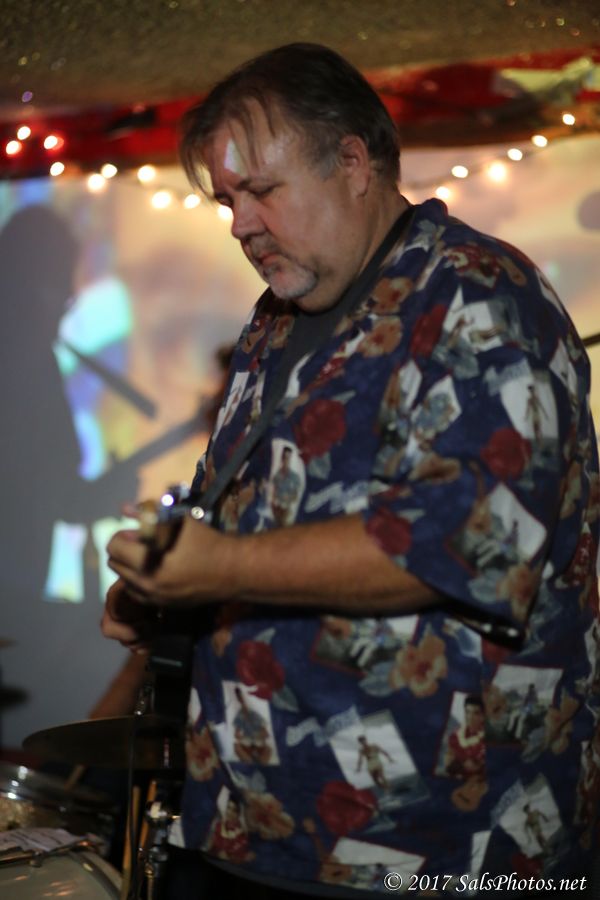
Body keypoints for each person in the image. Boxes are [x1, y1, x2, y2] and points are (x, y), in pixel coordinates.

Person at [101, 43, 600, 899]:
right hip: (248, 831)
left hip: (438, 854)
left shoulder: (478, 293)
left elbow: (464, 543)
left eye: (261, 191)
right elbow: (259, 523)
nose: (239, 224)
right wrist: (169, 590)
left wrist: (221, 568)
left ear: (354, 163)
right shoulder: (274, 322)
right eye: (227, 201)